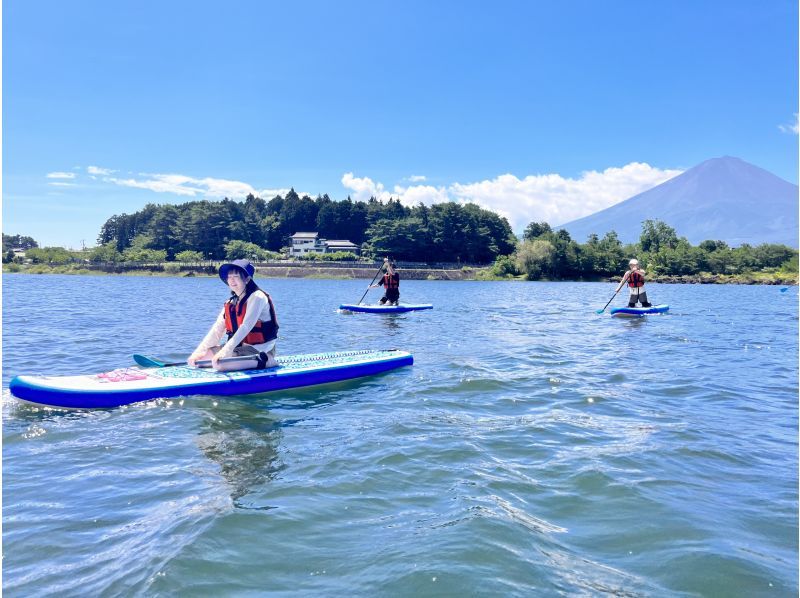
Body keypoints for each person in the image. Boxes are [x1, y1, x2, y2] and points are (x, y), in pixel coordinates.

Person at [188, 259, 279, 371]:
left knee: (220, 364)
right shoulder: (231, 303)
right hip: (239, 348)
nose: (232, 280)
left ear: (247, 279)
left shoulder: (257, 297)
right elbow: (217, 330)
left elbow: (246, 326)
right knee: (200, 360)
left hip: (259, 349)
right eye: (229, 277)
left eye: (236, 276)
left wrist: (226, 351)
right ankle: (234, 359)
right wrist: (199, 352)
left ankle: (268, 361)